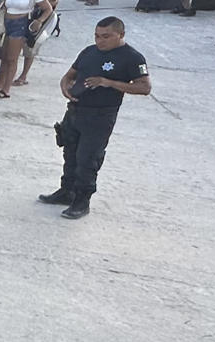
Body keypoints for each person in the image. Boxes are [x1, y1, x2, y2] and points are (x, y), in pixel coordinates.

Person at [40, 16, 151, 220]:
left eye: (106, 36)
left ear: (121, 35)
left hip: (100, 115)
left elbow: (144, 87)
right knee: (70, 153)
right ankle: (67, 192)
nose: (100, 41)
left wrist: (109, 83)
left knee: (88, 159)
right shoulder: (89, 51)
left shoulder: (132, 58)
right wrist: (65, 86)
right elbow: (70, 74)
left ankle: (82, 201)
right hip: (75, 110)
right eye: (97, 36)